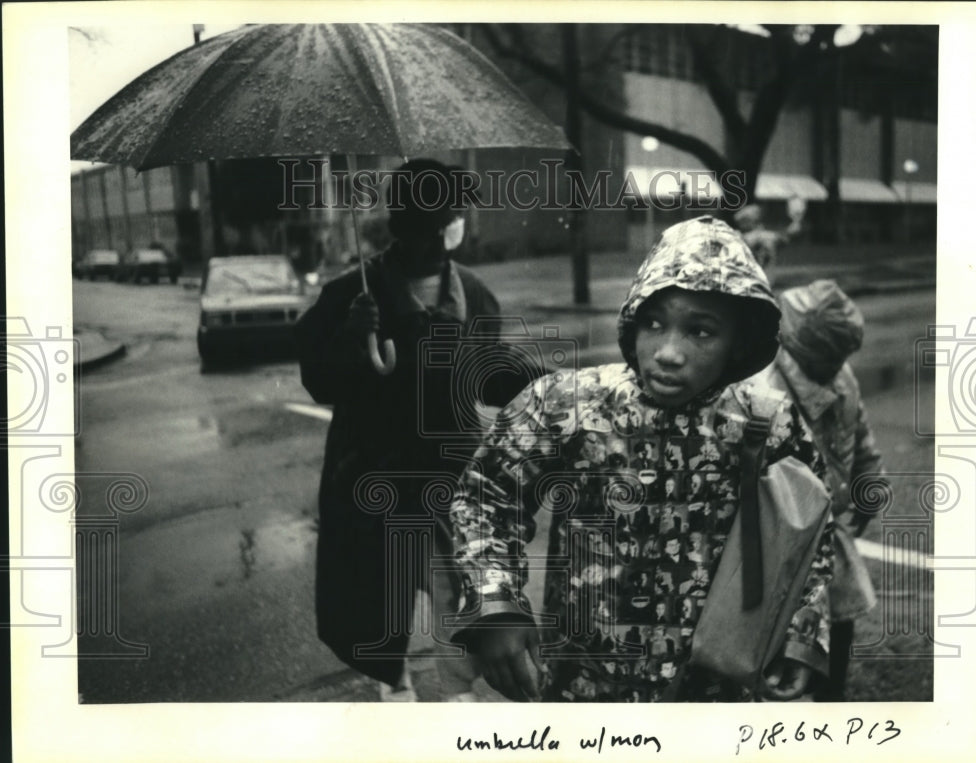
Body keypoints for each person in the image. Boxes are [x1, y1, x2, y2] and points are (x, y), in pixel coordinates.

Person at [448, 215, 834, 702]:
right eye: (654, 323)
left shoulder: (766, 422)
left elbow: (809, 538)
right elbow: (485, 495)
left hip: (712, 693)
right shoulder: (568, 405)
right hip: (586, 691)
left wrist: (800, 636)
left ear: (739, 341)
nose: (669, 352)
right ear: (632, 320)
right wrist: (495, 602)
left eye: (700, 332)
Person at [295, 158, 539, 700]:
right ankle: (397, 686)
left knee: (460, 590)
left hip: (454, 479)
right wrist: (350, 338)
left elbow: (488, 371)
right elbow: (319, 380)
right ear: (403, 224)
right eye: (437, 220)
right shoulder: (350, 295)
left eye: (451, 219)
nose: (445, 232)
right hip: (377, 479)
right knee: (383, 599)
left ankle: (457, 693)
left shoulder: (472, 294)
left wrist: (547, 383)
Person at [755, 279, 883, 701]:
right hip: (779, 545)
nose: (840, 363)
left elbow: (859, 436)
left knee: (837, 630)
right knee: (782, 646)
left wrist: (868, 482)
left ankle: (830, 706)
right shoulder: (766, 386)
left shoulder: (841, 379)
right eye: (833, 354)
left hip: (828, 534)